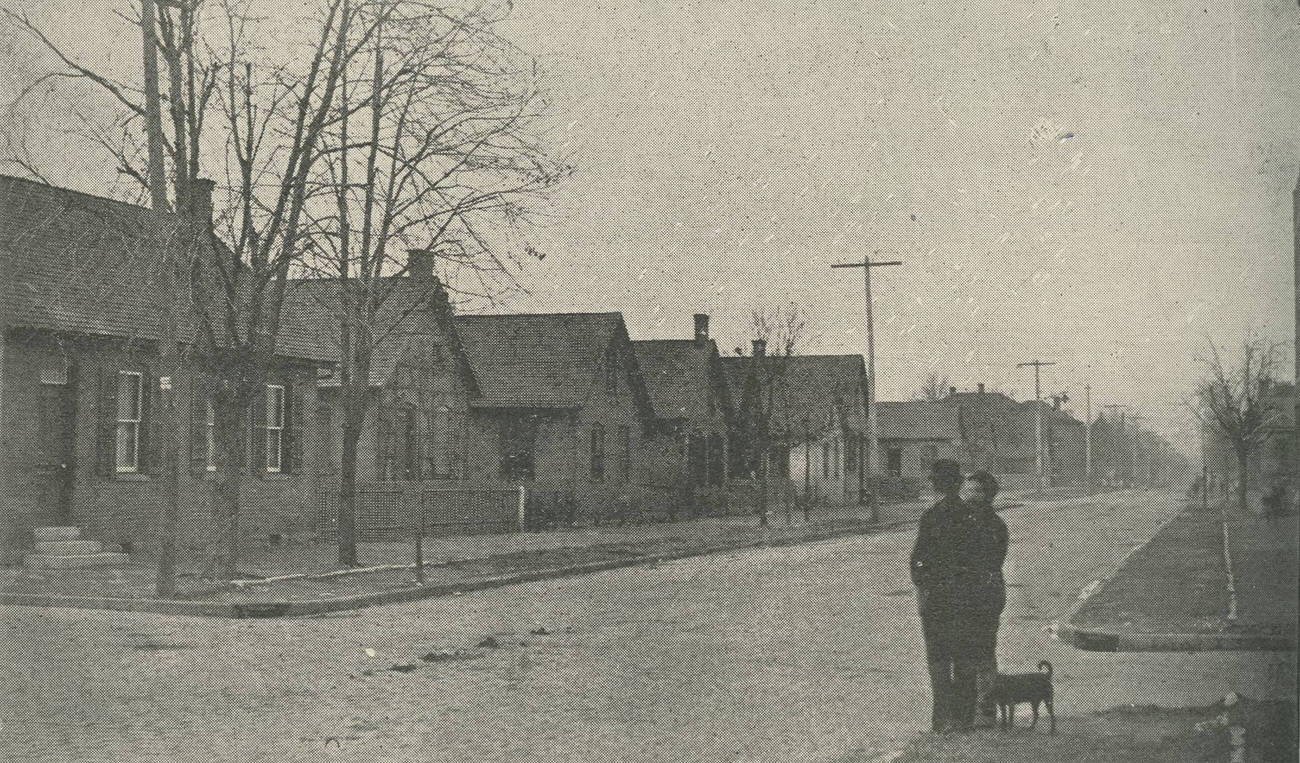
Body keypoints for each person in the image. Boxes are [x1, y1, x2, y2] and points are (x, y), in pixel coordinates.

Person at [910, 461, 1009, 732]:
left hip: (939, 599)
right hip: (968, 599)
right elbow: (987, 561)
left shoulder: (931, 515)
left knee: (939, 660)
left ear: (935, 484)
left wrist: (926, 585)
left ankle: (942, 720)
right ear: (958, 483)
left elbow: (918, 559)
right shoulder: (974, 518)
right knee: (964, 658)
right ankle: (963, 719)